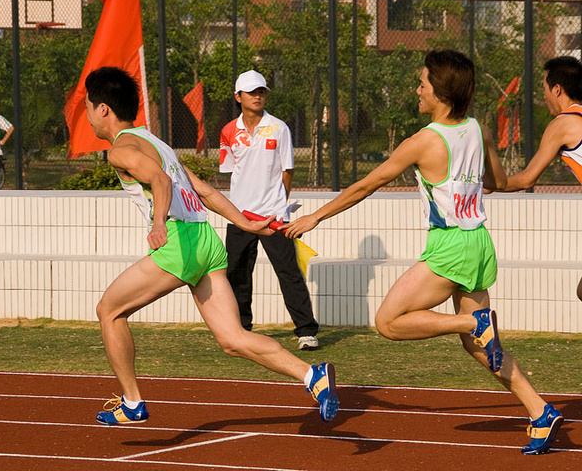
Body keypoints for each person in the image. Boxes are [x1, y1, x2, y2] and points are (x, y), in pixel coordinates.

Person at [282, 50, 563, 455]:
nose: (417, 89)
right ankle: (540, 410)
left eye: (423, 83)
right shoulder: (477, 129)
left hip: (450, 246)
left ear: (441, 92)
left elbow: (367, 184)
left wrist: (316, 217)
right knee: (480, 346)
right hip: (480, 242)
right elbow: (498, 181)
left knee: (389, 322)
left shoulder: (423, 142)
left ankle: (472, 322)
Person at [84, 66, 338, 426]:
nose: (88, 115)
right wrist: (247, 222)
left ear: (104, 110)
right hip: (206, 240)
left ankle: (132, 402)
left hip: (179, 242)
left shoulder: (121, 150)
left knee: (109, 310)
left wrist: (158, 223)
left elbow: (158, 180)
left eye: (88, 108)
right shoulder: (158, 143)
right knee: (233, 339)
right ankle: (313, 376)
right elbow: (204, 191)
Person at [220, 70, 320, 350]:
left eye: (261, 91)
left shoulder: (279, 128)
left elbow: (287, 171)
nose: (258, 96)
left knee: (288, 272)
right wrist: (236, 212)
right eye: (252, 92)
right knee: (237, 273)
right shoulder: (228, 130)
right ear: (238, 96)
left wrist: (278, 207)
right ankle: (241, 329)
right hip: (239, 215)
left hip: (275, 216)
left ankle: (306, 331)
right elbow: (233, 172)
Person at [498, 56, 582, 303]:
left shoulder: (563, 123)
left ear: (557, 89)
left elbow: (526, 179)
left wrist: (487, 185)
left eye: (544, 89)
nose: (543, 95)